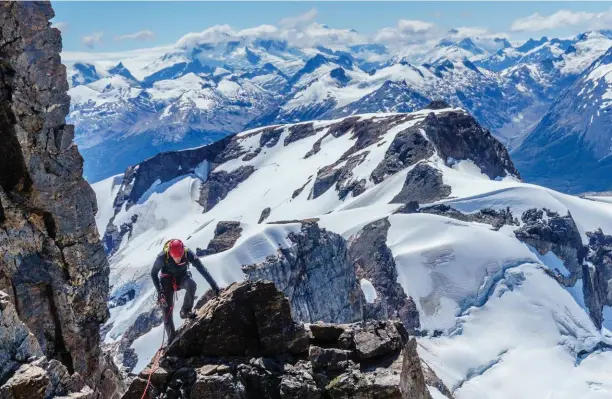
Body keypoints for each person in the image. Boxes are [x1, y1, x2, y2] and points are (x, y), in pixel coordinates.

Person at [151, 239, 220, 343]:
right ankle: (171, 337)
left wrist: (214, 286)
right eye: (175, 257)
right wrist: (160, 291)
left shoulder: (188, 254)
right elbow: (153, 273)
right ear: (170, 253)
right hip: (167, 281)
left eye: (179, 257)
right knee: (166, 309)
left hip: (182, 277)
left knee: (191, 285)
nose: (178, 259)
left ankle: (185, 311)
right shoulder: (162, 258)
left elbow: (202, 269)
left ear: (183, 251)